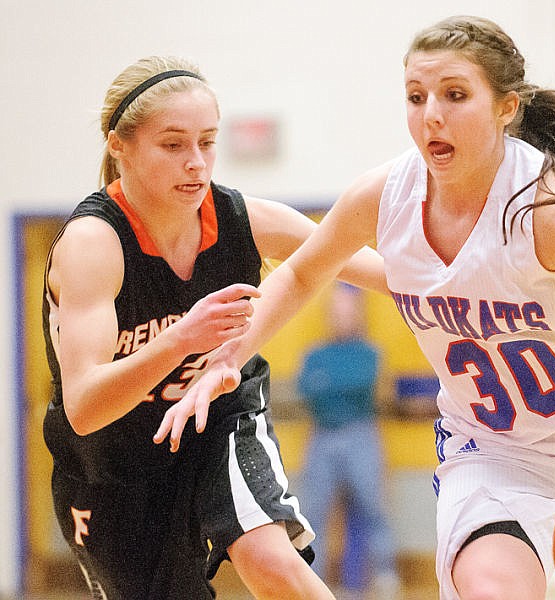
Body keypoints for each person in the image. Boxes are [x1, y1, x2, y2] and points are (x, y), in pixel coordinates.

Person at [155, 16, 555, 600]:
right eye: (416, 96)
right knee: (491, 586)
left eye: (455, 94)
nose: (430, 113)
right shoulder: (383, 195)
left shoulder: (549, 209)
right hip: (494, 451)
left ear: (506, 108)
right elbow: (307, 269)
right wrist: (229, 357)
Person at [41, 55, 387, 599]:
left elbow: (371, 269)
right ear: (120, 146)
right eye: (173, 145)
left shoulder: (239, 219)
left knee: (269, 559)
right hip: (113, 461)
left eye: (207, 142)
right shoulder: (93, 244)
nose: (197, 163)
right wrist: (181, 337)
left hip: (216, 418)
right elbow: (84, 408)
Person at [296, 282, 399, 599]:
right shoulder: (314, 354)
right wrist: (334, 388)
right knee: (313, 516)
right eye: (337, 311)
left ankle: (385, 578)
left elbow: (361, 385)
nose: (342, 318)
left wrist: (329, 386)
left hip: (361, 436)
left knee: (374, 510)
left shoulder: (370, 353)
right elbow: (307, 391)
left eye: (348, 311)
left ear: (358, 314)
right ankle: (312, 582)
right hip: (321, 438)